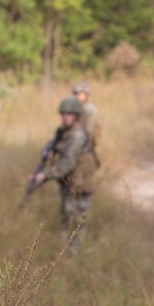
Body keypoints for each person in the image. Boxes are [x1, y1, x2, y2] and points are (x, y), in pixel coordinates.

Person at [28, 96, 99, 252]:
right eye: (63, 113)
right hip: (69, 183)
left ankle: (74, 256)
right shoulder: (63, 131)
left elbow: (67, 163)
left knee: (77, 222)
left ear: (77, 116)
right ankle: (64, 252)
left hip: (80, 186)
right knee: (67, 217)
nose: (65, 117)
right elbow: (52, 143)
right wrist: (47, 150)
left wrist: (45, 175)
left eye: (69, 114)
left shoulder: (77, 136)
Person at [71, 81, 101, 149]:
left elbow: (88, 132)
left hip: (85, 143)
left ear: (86, 95)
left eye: (81, 94)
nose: (78, 96)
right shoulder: (74, 107)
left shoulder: (90, 109)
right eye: (76, 94)